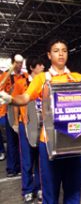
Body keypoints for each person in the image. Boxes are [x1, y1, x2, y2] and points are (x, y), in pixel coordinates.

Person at [0, 39, 81, 204]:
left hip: (74, 140)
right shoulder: (42, 78)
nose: (61, 53)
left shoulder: (77, 77)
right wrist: (11, 99)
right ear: (49, 55)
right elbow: (26, 97)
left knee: (73, 189)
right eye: (56, 50)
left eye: (64, 50)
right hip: (49, 142)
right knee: (50, 190)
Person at [12, 56, 44, 203]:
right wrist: (15, 123)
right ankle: (27, 190)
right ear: (32, 67)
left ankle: (39, 188)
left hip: (42, 125)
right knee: (27, 160)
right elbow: (15, 103)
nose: (43, 67)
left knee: (40, 158)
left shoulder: (45, 82)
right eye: (39, 64)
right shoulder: (20, 83)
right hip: (25, 125)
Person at [0, 54, 27, 177]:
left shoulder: (24, 77)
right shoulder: (5, 76)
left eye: (21, 63)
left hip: (22, 113)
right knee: (11, 143)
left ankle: (22, 167)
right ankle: (12, 168)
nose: (19, 65)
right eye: (17, 63)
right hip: (9, 112)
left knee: (21, 142)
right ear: (12, 63)